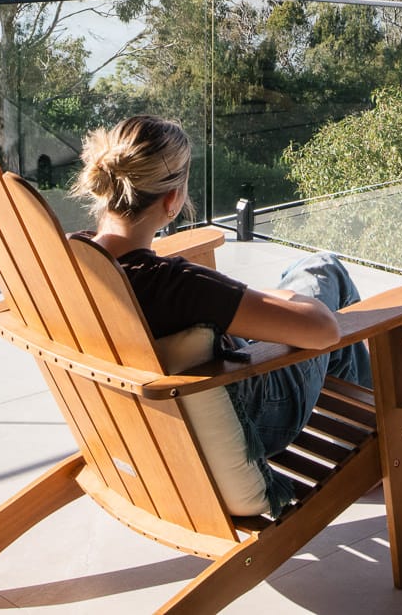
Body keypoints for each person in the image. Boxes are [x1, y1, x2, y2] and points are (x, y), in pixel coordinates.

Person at [73, 114, 371, 458]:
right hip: (259, 417)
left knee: (295, 293)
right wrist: (281, 295)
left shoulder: (71, 259)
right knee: (324, 269)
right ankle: (376, 444)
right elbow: (323, 330)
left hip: (141, 425)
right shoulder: (176, 285)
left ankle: (363, 436)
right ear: (172, 200)